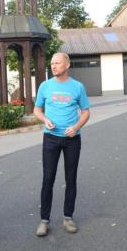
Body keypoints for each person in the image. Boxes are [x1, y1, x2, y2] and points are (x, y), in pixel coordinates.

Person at [33, 52, 90, 237]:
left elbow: (86, 112)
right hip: (50, 138)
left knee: (70, 178)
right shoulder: (45, 86)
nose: (53, 66)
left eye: (57, 63)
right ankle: (44, 221)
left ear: (67, 65)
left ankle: (68, 217)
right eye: (52, 63)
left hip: (72, 139)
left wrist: (76, 127)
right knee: (47, 178)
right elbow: (37, 109)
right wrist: (44, 119)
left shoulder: (77, 87)